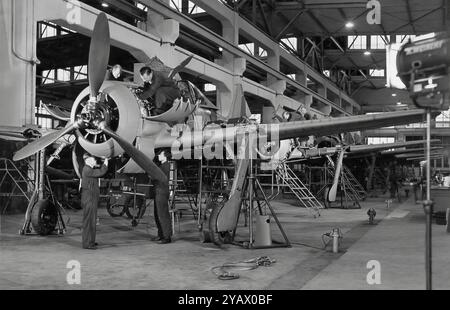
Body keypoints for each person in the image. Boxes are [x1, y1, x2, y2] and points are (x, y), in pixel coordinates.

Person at [80, 154, 108, 250]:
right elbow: (101, 172)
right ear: (88, 160)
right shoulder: (87, 169)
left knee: (92, 221)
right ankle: (87, 244)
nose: (95, 160)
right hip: (89, 199)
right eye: (93, 159)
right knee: (89, 221)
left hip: (91, 198)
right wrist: (106, 162)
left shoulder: (89, 169)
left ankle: (90, 241)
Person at [151, 149, 172, 244]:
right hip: (158, 191)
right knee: (157, 214)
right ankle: (161, 235)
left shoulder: (166, 166)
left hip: (162, 192)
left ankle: (167, 237)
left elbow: (157, 176)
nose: (158, 155)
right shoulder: (162, 166)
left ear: (165, 156)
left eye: (160, 154)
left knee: (163, 214)